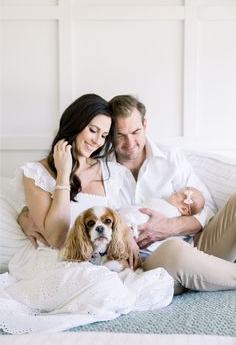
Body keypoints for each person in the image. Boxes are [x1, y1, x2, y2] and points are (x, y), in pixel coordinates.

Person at [0, 94, 173, 334]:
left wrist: (127, 235)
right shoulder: (36, 173)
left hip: (99, 259)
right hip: (56, 260)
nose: (97, 142)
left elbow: (121, 214)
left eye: (104, 136)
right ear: (75, 123)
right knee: (101, 285)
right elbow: (57, 238)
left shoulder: (111, 171)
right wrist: (63, 174)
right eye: (93, 130)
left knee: (141, 284)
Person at [109, 94, 236, 294]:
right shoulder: (103, 170)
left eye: (135, 131)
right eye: (120, 135)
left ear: (145, 124)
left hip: (197, 244)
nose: (130, 142)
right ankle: (207, 273)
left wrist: (169, 226)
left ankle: (207, 273)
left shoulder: (170, 158)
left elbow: (206, 210)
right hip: (151, 259)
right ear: (110, 133)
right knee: (176, 252)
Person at [120, 186, 205, 255]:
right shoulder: (168, 207)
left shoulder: (169, 210)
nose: (172, 192)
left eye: (176, 194)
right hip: (146, 248)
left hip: (136, 233)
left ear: (183, 209)